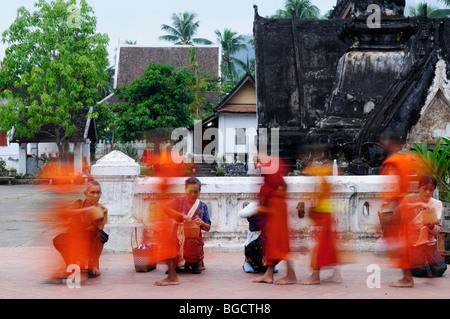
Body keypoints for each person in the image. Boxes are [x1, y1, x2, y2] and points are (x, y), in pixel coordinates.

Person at [378, 131, 429, 287]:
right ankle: (407, 277)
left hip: (397, 205)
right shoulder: (408, 159)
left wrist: (390, 207)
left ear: (391, 144)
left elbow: (392, 186)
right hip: (406, 204)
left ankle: (407, 278)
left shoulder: (393, 162)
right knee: (403, 242)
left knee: (399, 243)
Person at [252, 156, 297, 285]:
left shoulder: (271, 174)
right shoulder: (273, 175)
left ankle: (291, 275)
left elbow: (273, 189)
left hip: (276, 209)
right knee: (272, 242)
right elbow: (285, 186)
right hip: (277, 207)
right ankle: (269, 274)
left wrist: (264, 209)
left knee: (280, 242)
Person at [53, 180, 109, 278]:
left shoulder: (103, 210)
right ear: (85, 193)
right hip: (75, 236)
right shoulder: (79, 203)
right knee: (58, 239)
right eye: (92, 192)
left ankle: (93, 265)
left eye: (98, 192)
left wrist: (96, 219)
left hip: (90, 239)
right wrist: (86, 210)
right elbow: (65, 214)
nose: (95, 196)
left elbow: (99, 231)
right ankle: (71, 266)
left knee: (101, 235)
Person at [299, 164, 343, 285]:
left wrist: (310, 208)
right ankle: (336, 274)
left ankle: (315, 276)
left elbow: (320, 195)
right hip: (325, 213)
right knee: (328, 246)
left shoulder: (319, 174)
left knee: (320, 246)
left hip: (323, 214)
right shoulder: (321, 173)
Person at [401, 175, 447, 278]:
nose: (427, 192)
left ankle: (425, 263)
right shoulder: (409, 200)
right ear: (418, 188)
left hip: (429, 244)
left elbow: (438, 229)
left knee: (440, 269)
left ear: (433, 191)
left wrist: (431, 226)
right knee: (420, 271)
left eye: (431, 190)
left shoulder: (436, 205)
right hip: (413, 244)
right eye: (425, 189)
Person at [169, 177, 211, 274]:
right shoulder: (178, 201)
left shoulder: (202, 206)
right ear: (185, 190)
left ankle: (193, 263)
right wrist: (180, 215)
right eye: (190, 191)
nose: (192, 195)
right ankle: (175, 263)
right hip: (177, 238)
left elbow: (208, 227)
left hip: (194, 242)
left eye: (195, 192)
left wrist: (202, 223)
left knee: (193, 243)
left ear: (199, 192)